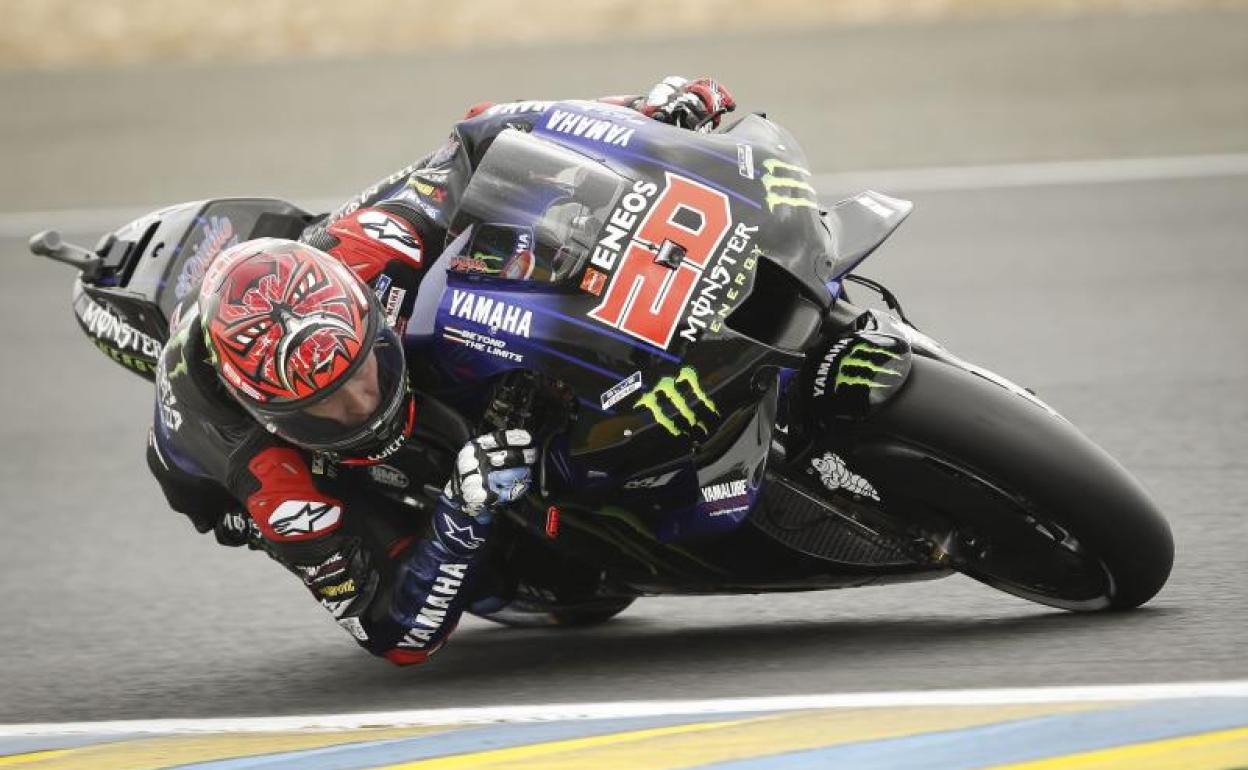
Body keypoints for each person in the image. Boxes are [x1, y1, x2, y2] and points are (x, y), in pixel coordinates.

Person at [146, 76, 736, 665]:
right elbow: (393, 636)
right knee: (545, 580)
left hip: (314, 278)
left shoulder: (372, 248)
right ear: (274, 417)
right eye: (329, 406)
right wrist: (461, 510)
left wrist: (641, 110)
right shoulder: (271, 478)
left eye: (365, 368)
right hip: (218, 477)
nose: (363, 404)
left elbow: (482, 135)